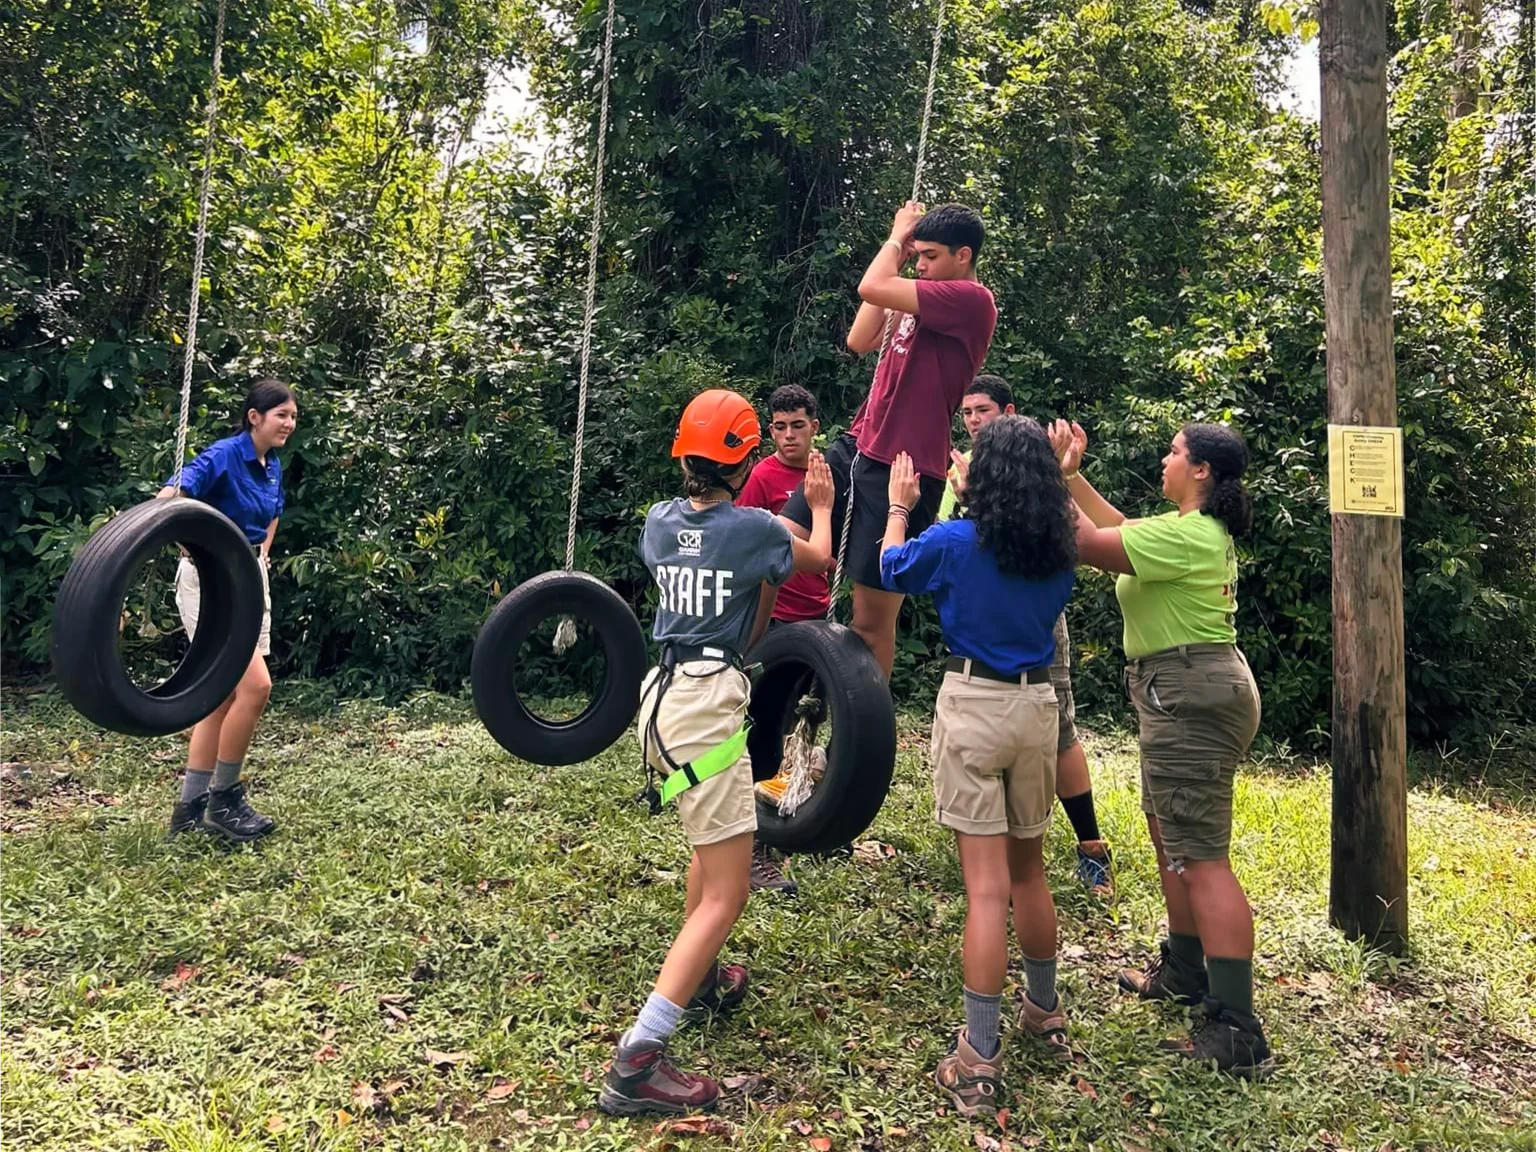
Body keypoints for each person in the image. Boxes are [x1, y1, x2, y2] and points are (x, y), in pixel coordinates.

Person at [598, 389, 834, 1117]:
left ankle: (698, 981)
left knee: (712, 846)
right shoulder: (756, 527)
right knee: (731, 890)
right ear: (745, 457)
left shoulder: (658, 522)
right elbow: (816, 560)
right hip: (707, 706)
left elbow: (729, 574)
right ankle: (639, 1060)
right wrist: (819, 503)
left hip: (661, 702)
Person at [1052, 418, 1271, 1077]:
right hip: (1179, 690)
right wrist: (1069, 474)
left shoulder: (1191, 536)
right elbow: (1114, 525)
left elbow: (1088, 542)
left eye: (1176, 452)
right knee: (1168, 836)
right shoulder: (1185, 532)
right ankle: (1184, 968)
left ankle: (1236, 1027)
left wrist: (1027, 477)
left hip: (1190, 692)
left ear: (1201, 470)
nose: (1166, 459)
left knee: (1202, 857)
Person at [880, 417, 1077, 1117]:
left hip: (973, 702)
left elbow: (892, 568)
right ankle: (1045, 1012)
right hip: (1036, 709)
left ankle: (978, 1057)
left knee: (986, 891)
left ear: (980, 478)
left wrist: (904, 506)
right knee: (1030, 872)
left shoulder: (956, 540)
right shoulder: (1057, 552)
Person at [778, 200, 997, 681]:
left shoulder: (970, 300)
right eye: (917, 254)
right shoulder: (917, 295)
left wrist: (897, 240)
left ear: (963, 256)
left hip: (904, 469)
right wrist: (899, 257)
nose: (920, 264)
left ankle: (862, 738)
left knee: (870, 623)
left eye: (930, 255)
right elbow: (859, 339)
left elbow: (871, 284)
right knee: (773, 542)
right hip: (856, 447)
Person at [938, 375, 1114, 896]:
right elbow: (954, 531)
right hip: (981, 628)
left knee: (1059, 726)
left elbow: (1069, 534)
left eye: (982, 409)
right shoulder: (962, 470)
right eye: (966, 411)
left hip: (1033, 620)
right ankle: (985, 852)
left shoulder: (1037, 461)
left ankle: (1092, 848)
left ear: (1009, 411)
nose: (972, 420)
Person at [160, 379, 297, 843]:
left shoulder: (271, 464)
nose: (289, 423)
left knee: (221, 694)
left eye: (293, 417)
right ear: (254, 417)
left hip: (250, 577)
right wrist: (162, 527)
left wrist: (263, 555)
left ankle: (189, 808)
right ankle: (225, 799)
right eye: (281, 415)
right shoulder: (223, 454)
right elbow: (176, 492)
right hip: (211, 581)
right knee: (256, 687)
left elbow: (273, 513)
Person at [736, 384, 832, 896]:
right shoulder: (762, 476)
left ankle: (807, 817)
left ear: (815, 426)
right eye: (779, 426)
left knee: (810, 719)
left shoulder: (828, 475)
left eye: (798, 424)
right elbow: (748, 543)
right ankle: (760, 845)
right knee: (765, 728)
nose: (789, 435)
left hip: (821, 617)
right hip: (775, 622)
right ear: (769, 429)